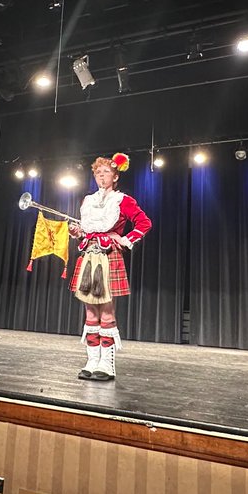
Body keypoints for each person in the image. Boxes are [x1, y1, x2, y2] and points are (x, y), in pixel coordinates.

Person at [68, 153, 151, 381]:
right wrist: (77, 232)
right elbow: (87, 231)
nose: (100, 176)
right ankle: (92, 360)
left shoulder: (123, 200)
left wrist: (127, 239)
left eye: (105, 173)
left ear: (115, 176)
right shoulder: (88, 200)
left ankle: (107, 365)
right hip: (88, 256)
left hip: (108, 256)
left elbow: (144, 222)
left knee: (106, 311)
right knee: (89, 312)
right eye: (97, 173)